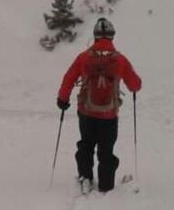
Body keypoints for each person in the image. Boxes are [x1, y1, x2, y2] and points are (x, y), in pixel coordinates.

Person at [57, 17, 142, 193]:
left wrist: (63, 99)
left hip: (86, 112)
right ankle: (106, 185)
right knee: (106, 151)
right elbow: (135, 85)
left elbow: (69, 78)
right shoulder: (120, 60)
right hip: (109, 115)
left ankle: (85, 178)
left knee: (86, 146)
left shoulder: (83, 58)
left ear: (95, 36)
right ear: (112, 36)